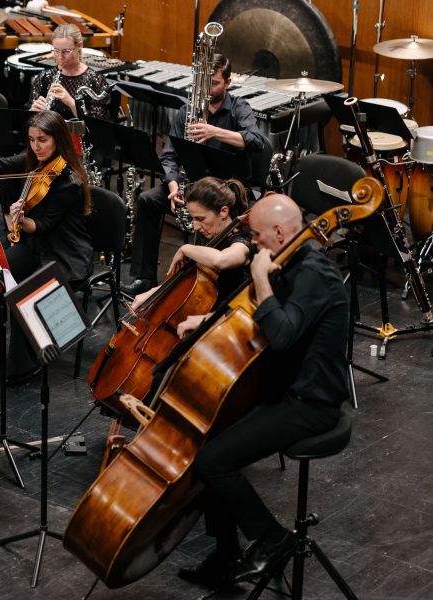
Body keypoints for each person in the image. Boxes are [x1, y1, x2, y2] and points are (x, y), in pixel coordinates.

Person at [178, 193, 349, 590]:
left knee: (213, 462)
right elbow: (254, 310)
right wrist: (205, 320)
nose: (252, 243)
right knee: (212, 433)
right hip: (281, 387)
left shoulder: (314, 274)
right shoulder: (290, 260)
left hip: (311, 402)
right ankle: (226, 554)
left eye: (255, 235)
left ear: (277, 231)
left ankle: (272, 540)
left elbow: (284, 334)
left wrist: (259, 276)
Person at [0, 110, 93, 381]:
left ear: (58, 140)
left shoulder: (69, 181)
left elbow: (43, 226)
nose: (36, 146)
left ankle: (26, 365)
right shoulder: (32, 162)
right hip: (35, 248)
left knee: (23, 295)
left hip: (63, 254)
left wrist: (21, 221)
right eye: (32, 140)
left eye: (43, 140)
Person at [126, 53, 264, 296]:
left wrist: (215, 131)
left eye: (214, 83)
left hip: (225, 189)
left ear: (228, 83)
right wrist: (172, 185)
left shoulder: (239, 108)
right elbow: (169, 155)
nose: (208, 89)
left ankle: (199, 286)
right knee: (148, 200)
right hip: (192, 184)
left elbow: (255, 141)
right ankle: (144, 278)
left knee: (208, 219)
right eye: (204, 83)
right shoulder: (187, 110)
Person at [128, 176, 252, 338]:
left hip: (225, 325)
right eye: (193, 218)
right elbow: (187, 278)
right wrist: (154, 292)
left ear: (224, 211)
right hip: (200, 315)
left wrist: (186, 248)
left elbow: (221, 260)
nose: (195, 226)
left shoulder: (242, 241)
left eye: (200, 219)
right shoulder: (207, 236)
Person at [29, 24, 111, 120]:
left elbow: (98, 124)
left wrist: (71, 102)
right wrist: (33, 112)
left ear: (79, 46)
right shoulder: (44, 77)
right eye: (56, 50)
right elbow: (30, 122)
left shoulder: (96, 79)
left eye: (66, 51)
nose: (60, 57)